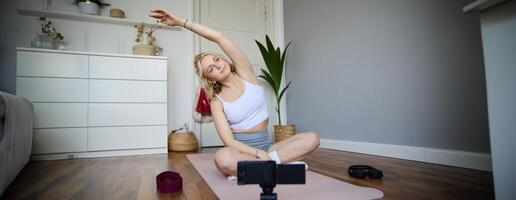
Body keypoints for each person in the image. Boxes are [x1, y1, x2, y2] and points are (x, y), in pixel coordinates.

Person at [150, 9, 320, 177]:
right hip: (244, 152)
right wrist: (257, 153)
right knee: (222, 159)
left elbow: (219, 38)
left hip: (269, 147)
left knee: (312, 138)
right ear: (210, 79)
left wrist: (181, 22)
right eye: (211, 69)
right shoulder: (217, 102)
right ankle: (276, 165)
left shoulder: (246, 74)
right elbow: (229, 141)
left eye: (216, 60)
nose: (218, 66)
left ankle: (264, 168)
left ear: (222, 58)